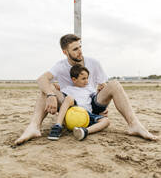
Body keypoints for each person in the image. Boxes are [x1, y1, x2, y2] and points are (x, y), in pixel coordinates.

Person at [15, 34, 158, 145]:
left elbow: (103, 86)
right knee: (46, 89)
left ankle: (134, 125)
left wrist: (103, 98)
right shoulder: (60, 65)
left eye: (80, 47)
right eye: (75, 49)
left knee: (114, 84)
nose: (80, 51)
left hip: (92, 102)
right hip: (69, 105)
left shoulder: (94, 63)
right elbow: (41, 79)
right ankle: (33, 127)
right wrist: (51, 94)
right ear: (65, 52)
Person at [47, 64, 110, 141]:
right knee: (69, 98)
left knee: (106, 121)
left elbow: (96, 98)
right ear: (74, 79)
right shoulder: (68, 89)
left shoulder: (89, 88)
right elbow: (55, 91)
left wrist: (100, 90)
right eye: (83, 78)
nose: (86, 81)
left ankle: (85, 131)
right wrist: (54, 85)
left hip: (87, 115)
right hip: (73, 112)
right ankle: (57, 126)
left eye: (87, 78)